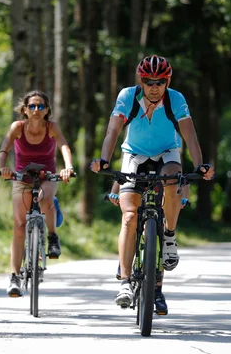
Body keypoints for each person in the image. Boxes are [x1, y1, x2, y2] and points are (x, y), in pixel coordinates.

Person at [90, 54, 214, 315]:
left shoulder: (176, 99)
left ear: (167, 82)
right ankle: (125, 283)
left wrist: (199, 164)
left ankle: (168, 237)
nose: (154, 87)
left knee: (172, 180)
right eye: (148, 81)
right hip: (133, 154)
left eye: (160, 81)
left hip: (167, 152)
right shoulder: (127, 96)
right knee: (129, 217)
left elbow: (189, 135)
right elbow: (113, 131)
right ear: (141, 81)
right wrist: (103, 158)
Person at [0, 90, 75, 297]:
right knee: (19, 225)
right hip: (21, 178)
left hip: (47, 176)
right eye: (31, 106)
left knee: (46, 200)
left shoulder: (52, 127)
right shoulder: (17, 128)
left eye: (41, 106)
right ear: (24, 110)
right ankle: (14, 276)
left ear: (47, 110)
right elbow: (4, 149)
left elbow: (64, 146)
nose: (36, 110)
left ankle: (52, 236)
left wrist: (68, 167)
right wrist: (3, 168)